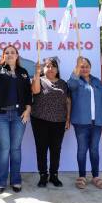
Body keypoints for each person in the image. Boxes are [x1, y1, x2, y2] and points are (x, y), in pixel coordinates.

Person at [0, 44, 32, 194]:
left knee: (15, 149)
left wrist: (28, 110)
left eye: (13, 52)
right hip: (0, 115)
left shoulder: (23, 72)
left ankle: (15, 180)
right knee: (4, 148)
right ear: (4, 56)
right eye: (7, 52)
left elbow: (28, 93)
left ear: (17, 56)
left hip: (19, 115)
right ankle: (0, 182)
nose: (10, 54)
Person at [68, 57, 102, 190]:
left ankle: (95, 176)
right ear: (78, 68)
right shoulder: (75, 80)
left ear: (90, 68)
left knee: (94, 149)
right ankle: (81, 176)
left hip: (97, 122)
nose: (84, 69)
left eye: (87, 66)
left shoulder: (97, 81)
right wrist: (76, 69)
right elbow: (71, 85)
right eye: (82, 66)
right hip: (81, 122)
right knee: (82, 149)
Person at [31, 57, 70, 187]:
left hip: (59, 121)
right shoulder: (39, 80)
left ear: (57, 69)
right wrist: (37, 74)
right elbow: (35, 91)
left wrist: (68, 118)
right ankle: (43, 175)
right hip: (40, 120)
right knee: (41, 149)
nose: (50, 68)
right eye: (47, 66)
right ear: (43, 69)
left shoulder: (63, 84)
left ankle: (54, 175)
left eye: (53, 66)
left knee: (56, 149)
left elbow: (68, 101)